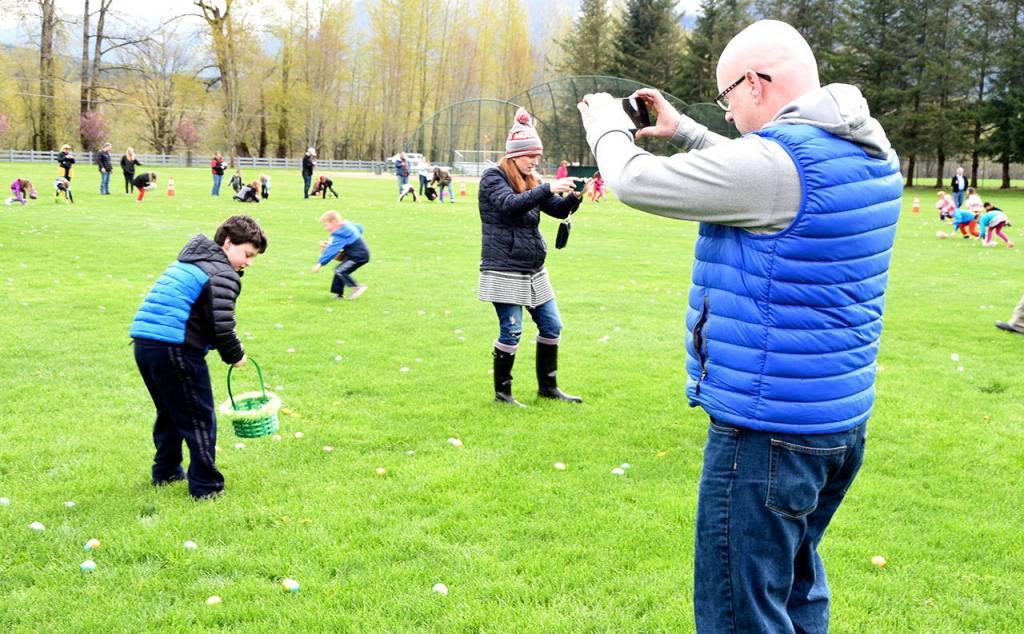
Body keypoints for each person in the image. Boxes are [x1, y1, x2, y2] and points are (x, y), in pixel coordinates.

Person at [578, 19, 902, 633]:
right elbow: (761, 170)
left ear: (756, 82)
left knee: (739, 614)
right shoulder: (863, 149)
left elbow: (632, 179)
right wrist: (687, 131)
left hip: (767, 432)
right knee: (797, 590)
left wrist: (607, 129)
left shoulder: (780, 166)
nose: (727, 114)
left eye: (728, 98)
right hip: (833, 422)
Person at [129, 215, 267, 499]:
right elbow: (221, 327)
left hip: (145, 345)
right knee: (199, 419)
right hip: (175, 349)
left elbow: (201, 317)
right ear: (228, 243)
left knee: (171, 412)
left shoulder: (189, 261)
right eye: (247, 254)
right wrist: (236, 356)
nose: (249, 263)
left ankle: (166, 472)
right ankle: (206, 487)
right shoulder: (222, 273)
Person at [479, 107, 584, 407]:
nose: (535, 161)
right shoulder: (492, 178)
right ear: (514, 155)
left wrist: (574, 198)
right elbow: (509, 205)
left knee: (552, 326)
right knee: (511, 330)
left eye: (537, 157)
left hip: (534, 268)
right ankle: (503, 394)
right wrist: (547, 187)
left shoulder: (533, 180)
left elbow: (558, 210)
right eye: (530, 157)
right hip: (503, 267)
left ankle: (548, 388)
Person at [312, 210, 369, 300]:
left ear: (334, 222)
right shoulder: (346, 226)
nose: (325, 228)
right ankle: (339, 295)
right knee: (339, 271)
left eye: (326, 225)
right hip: (354, 254)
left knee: (340, 271)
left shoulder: (341, 234)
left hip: (358, 256)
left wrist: (320, 263)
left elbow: (332, 250)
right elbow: (359, 227)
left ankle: (356, 287)